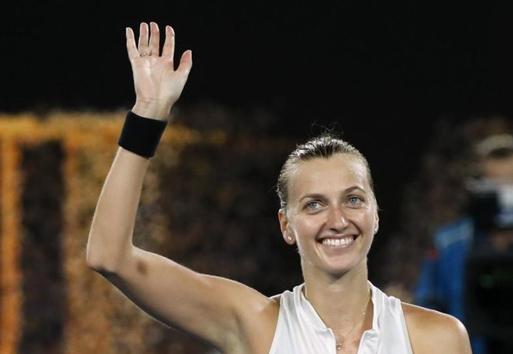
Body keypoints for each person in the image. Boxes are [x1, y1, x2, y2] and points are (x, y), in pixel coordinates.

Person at [86, 22, 472, 354]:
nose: (338, 220)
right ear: (286, 225)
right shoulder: (255, 324)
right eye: (315, 205)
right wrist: (147, 117)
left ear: (375, 213)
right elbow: (109, 256)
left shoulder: (437, 339)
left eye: (352, 199)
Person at [413, 134, 513, 354]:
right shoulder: (449, 244)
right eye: (494, 183)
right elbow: (426, 306)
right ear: (477, 185)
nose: (504, 194)